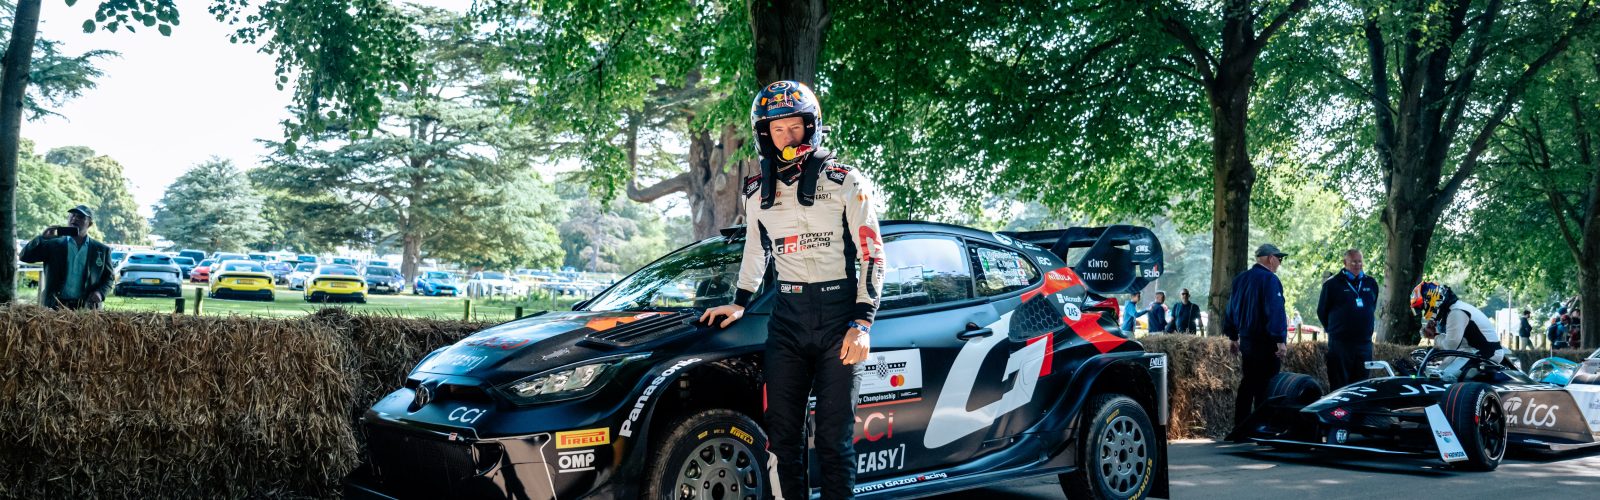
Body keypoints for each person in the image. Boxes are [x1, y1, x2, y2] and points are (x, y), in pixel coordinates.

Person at [699, 80, 885, 500]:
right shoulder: (755, 191)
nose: (787, 136)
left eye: (795, 126)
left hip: (840, 318)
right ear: (764, 134)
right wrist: (741, 302)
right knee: (782, 440)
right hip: (788, 320)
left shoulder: (845, 179)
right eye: (777, 129)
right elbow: (755, 251)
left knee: (835, 441)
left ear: (811, 127)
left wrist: (862, 322)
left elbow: (873, 253)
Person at [1223, 244, 1289, 441]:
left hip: (1247, 340)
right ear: (1270, 258)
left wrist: (1232, 336)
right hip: (1265, 340)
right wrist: (1280, 340)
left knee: (1248, 382)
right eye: (1279, 259)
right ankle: (1263, 427)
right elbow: (1275, 310)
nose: (1279, 263)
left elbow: (1230, 309)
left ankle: (1240, 427)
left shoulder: (1240, 279)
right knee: (1266, 385)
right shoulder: (1270, 279)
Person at [19, 205, 115, 310]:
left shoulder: (101, 250)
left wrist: (100, 293)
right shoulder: (53, 245)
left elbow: (109, 277)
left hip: (87, 309)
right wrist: (41, 238)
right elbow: (24, 257)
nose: (75, 218)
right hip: (54, 307)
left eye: (80, 217)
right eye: (72, 215)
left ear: (90, 224)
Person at [1411, 282, 1509, 381]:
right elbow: (1456, 343)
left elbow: (1450, 346)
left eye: (1423, 308)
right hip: (1473, 351)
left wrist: (1435, 337)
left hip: (1485, 354)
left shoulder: (1456, 312)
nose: (1424, 312)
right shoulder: (1454, 309)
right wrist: (1435, 335)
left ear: (1430, 301)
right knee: (1436, 373)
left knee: (1445, 378)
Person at [1316, 249, 1378, 391]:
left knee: (1361, 386)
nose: (1358, 265)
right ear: (1345, 263)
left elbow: (1371, 307)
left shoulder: (1370, 283)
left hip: (1364, 344)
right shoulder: (1332, 284)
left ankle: (1358, 407)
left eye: (1360, 261)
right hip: (1341, 344)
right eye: (1354, 262)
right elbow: (1321, 311)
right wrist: (1334, 330)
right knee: (1340, 385)